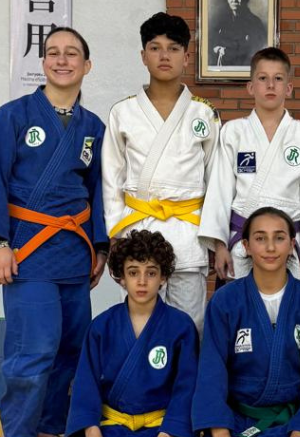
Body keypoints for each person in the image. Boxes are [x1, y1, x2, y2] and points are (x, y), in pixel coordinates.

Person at [0, 26, 109, 437]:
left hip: (74, 251)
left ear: (87, 65)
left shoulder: (93, 127)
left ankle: (50, 424)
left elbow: (98, 191)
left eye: (72, 53)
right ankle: (16, 430)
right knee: (35, 347)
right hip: (28, 251)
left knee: (70, 347)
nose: (62, 60)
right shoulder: (11, 117)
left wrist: (100, 247)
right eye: (53, 53)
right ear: (43, 62)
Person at [185, 207, 300, 437]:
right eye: (260, 238)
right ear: (246, 246)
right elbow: (211, 371)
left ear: (292, 244)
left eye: (279, 238)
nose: (270, 247)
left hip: (295, 420)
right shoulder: (225, 301)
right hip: (236, 421)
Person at [103, 12, 220, 333]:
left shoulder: (204, 113)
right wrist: (116, 233)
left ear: (187, 57)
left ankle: (186, 370)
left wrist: (215, 239)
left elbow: (216, 181)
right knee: (139, 324)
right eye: (155, 48)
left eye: (173, 48)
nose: (164, 56)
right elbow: (111, 178)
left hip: (188, 233)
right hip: (137, 230)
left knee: (190, 326)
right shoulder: (123, 112)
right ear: (143, 56)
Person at [65, 230, 199, 437]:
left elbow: (187, 388)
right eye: (133, 272)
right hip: (110, 432)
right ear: (121, 278)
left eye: (151, 273)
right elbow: (86, 385)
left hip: (160, 432)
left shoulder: (181, 327)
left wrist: (168, 436)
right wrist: (92, 435)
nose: (142, 281)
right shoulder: (101, 326)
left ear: (163, 277)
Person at [199, 47, 300, 285]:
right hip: (241, 241)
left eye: (278, 79)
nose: (271, 85)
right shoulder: (233, 132)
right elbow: (220, 191)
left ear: (289, 88)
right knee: (239, 303)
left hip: (287, 244)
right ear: (251, 87)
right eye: (263, 78)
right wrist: (220, 246)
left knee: (284, 304)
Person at [208, 0, 267, 67]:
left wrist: (228, 51)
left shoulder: (255, 22)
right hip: (223, 67)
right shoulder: (220, 20)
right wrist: (217, 48)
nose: (234, 0)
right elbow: (212, 42)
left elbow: (257, 48)